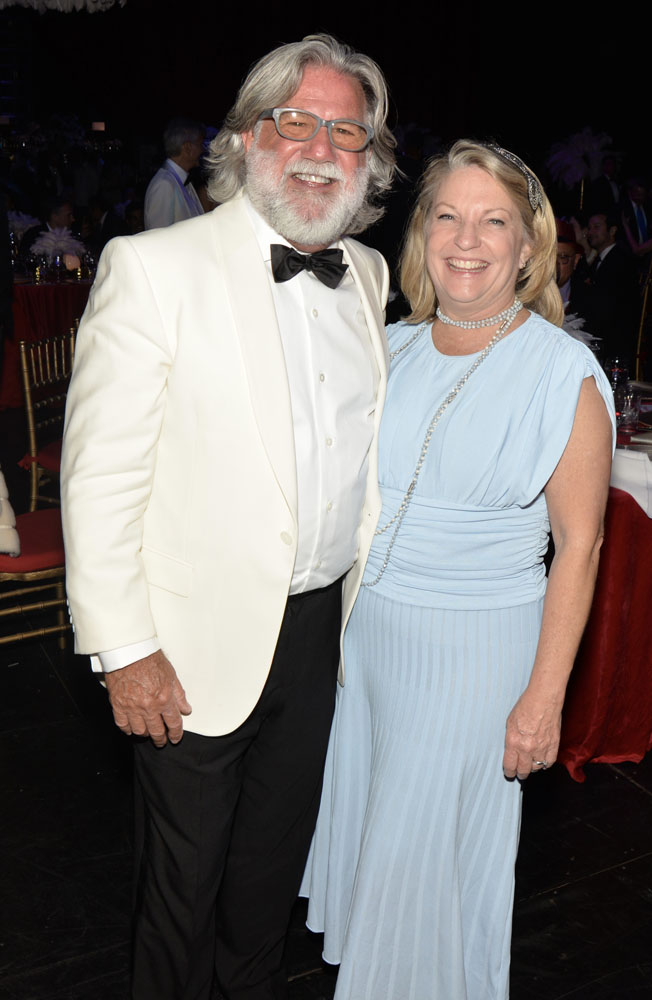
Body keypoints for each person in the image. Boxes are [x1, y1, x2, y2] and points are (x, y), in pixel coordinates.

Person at [61, 33, 395, 1000]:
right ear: (250, 139)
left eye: (347, 130)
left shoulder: (368, 278)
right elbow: (100, 476)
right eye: (297, 122)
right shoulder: (154, 266)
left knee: (267, 883)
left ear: (370, 161)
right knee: (183, 891)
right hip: (189, 643)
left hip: (317, 630)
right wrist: (124, 649)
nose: (320, 147)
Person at [301, 140, 615, 1000]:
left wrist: (544, 697)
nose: (466, 238)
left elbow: (580, 547)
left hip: (473, 661)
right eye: (447, 215)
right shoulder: (389, 346)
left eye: (493, 221)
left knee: (422, 865)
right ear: (422, 233)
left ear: (527, 246)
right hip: (367, 651)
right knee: (382, 858)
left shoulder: (563, 374)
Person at [143, 116, 206, 229]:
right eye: (200, 144)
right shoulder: (164, 185)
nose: (203, 150)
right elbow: (159, 239)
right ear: (187, 148)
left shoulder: (181, 181)